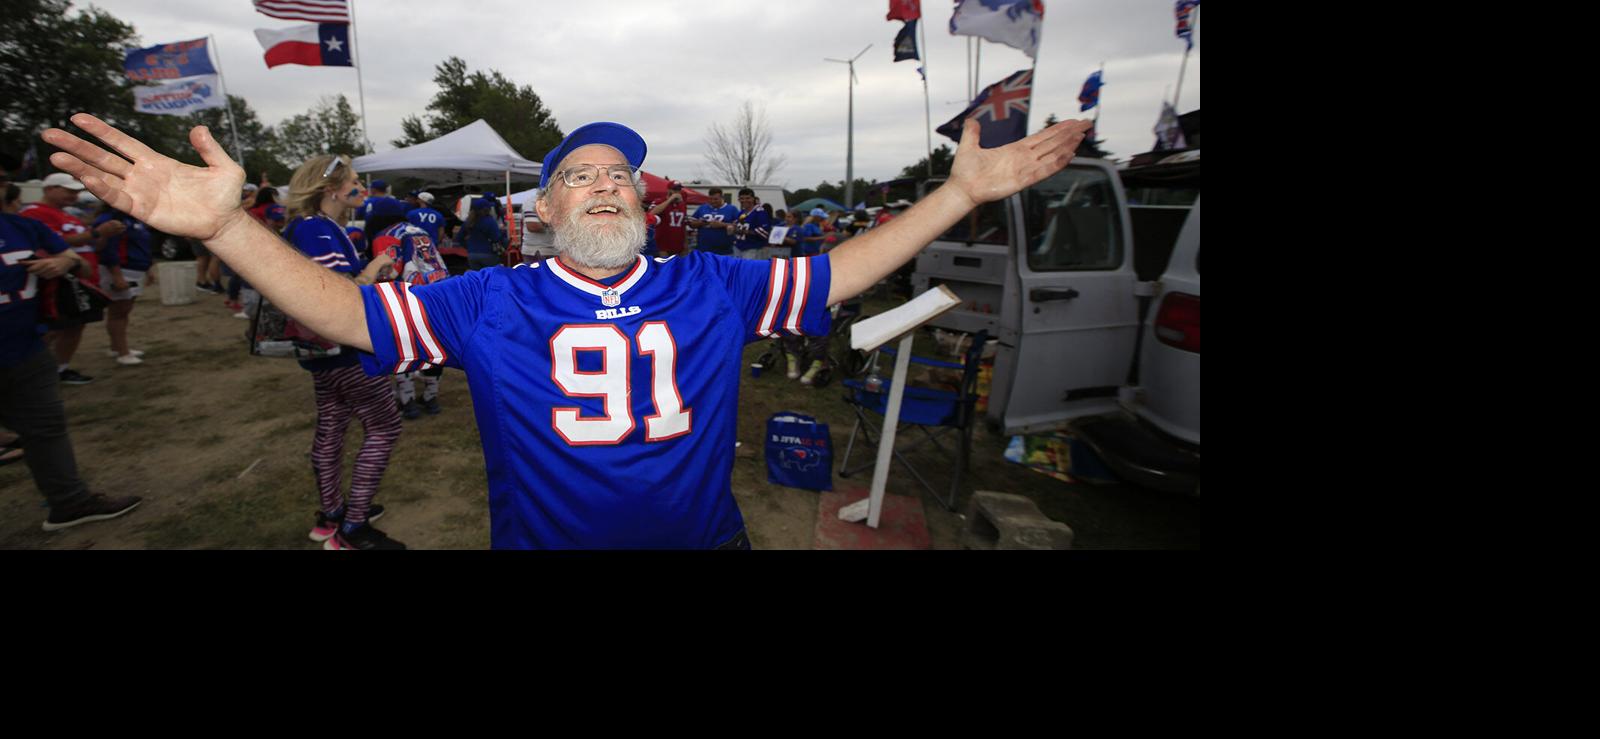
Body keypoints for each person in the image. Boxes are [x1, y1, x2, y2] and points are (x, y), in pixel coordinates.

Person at [42, 111, 1090, 549]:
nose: (602, 182)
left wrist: (957, 196)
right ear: (539, 212)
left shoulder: (713, 283)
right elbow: (346, 314)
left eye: (619, 172)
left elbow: (839, 272)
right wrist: (227, 224)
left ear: (642, 201)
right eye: (577, 175)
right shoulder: (489, 300)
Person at [278, 154, 404, 550]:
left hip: (324, 350)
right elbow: (335, 291)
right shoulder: (316, 228)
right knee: (384, 426)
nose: (362, 190)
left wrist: (370, 269)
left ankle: (331, 514)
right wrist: (378, 265)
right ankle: (353, 527)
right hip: (345, 348)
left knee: (332, 426)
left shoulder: (316, 227)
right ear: (331, 189)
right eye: (354, 183)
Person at [2, 186, 142, 530]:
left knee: (46, 428)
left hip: (26, 349)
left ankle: (69, 502)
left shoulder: (20, 225)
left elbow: (78, 261)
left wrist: (63, 260)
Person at [21, 172, 116, 385]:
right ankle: (29, 371)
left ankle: (60, 369)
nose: (73, 196)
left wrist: (104, 235)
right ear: (49, 189)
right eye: (68, 191)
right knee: (53, 329)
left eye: (75, 192)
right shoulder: (34, 213)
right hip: (57, 282)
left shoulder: (70, 216)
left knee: (74, 326)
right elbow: (54, 243)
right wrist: (95, 233)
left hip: (81, 280)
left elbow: (91, 245)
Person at [364, 196, 449, 420]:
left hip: (406, 297)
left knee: (403, 348)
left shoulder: (385, 235)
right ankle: (431, 397)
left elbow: (389, 272)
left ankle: (408, 400)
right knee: (433, 347)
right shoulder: (419, 230)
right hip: (438, 293)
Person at [92, 200, 154, 364]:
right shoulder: (111, 219)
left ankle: (116, 347)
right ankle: (122, 352)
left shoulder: (133, 219)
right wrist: (117, 276)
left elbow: (141, 245)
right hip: (121, 270)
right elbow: (107, 249)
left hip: (135, 269)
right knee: (118, 312)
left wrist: (148, 269)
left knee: (123, 311)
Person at [781, 208, 830, 383]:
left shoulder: (805, 229)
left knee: (818, 327)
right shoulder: (807, 228)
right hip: (798, 275)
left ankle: (818, 362)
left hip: (820, 300)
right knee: (790, 323)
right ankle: (792, 358)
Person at [688, 187, 737, 256]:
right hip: (703, 250)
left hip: (725, 251)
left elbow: (737, 227)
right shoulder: (703, 208)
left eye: (716, 199)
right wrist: (701, 223)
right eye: (710, 199)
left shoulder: (732, 209)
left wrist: (722, 225)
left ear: (722, 198)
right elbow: (691, 223)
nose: (713, 201)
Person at [461, 196, 507, 270]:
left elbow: (459, 238)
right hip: (488, 254)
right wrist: (503, 233)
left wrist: (468, 247)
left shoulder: (468, 222)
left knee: (478, 279)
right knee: (491, 277)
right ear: (488, 209)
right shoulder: (490, 221)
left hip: (472, 255)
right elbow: (496, 238)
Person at [648, 181, 689, 258]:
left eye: (678, 189)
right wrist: (670, 200)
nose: (677, 192)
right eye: (674, 189)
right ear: (668, 190)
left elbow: (684, 225)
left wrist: (685, 243)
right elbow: (651, 213)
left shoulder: (682, 204)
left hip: (678, 244)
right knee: (664, 267)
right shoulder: (659, 201)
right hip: (663, 245)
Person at [730, 188, 771, 261]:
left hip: (753, 248)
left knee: (748, 271)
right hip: (739, 247)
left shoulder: (760, 212)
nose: (744, 200)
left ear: (753, 199)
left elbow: (765, 232)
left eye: (747, 198)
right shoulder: (742, 212)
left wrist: (743, 231)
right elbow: (736, 226)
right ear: (739, 200)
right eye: (742, 198)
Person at [517, 190, 555, 262]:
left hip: (549, 250)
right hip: (539, 250)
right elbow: (532, 226)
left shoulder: (555, 200)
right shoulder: (533, 201)